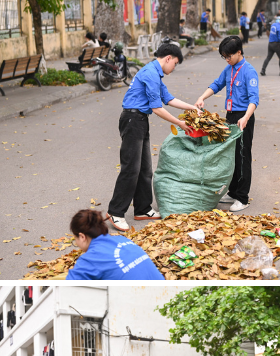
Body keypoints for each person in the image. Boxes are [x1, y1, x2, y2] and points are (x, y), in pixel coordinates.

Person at [106, 42, 197, 233]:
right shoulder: (150, 73)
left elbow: (169, 99)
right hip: (132, 120)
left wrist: (192, 108)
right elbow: (157, 108)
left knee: (145, 169)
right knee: (131, 168)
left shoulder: (155, 74)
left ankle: (143, 208)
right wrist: (180, 123)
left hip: (140, 120)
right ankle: (116, 211)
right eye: (175, 63)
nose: (174, 68)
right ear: (168, 58)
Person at [195, 35, 259, 213]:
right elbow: (217, 85)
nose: (227, 59)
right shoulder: (228, 69)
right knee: (231, 155)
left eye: (229, 56)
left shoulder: (249, 71)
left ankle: (243, 197)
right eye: (224, 56)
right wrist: (202, 97)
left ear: (239, 52)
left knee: (243, 155)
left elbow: (254, 99)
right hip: (231, 116)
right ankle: (233, 191)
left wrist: (246, 117)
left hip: (243, 117)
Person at [65, 209, 164, 280]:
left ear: (82, 237)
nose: (77, 243)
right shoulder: (122, 240)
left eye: (75, 239)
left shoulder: (90, 259)